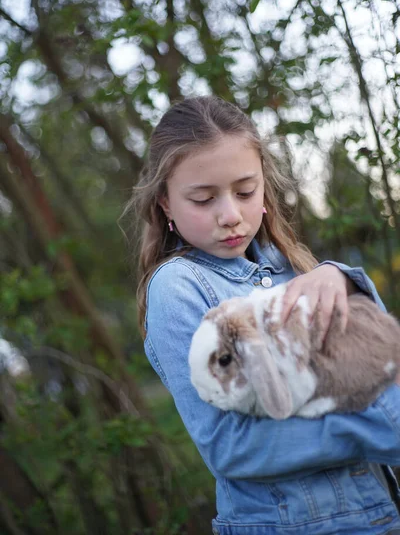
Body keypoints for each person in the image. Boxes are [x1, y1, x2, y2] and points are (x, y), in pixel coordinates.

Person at [129, 95, 400, 534]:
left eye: (245, 191)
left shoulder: (294, 266)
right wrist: (381, 425)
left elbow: (377, 362)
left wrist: (343, 280)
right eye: (203, 199)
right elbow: (230, 446)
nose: (230, 215)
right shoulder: (178, 288)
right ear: (164, 203)